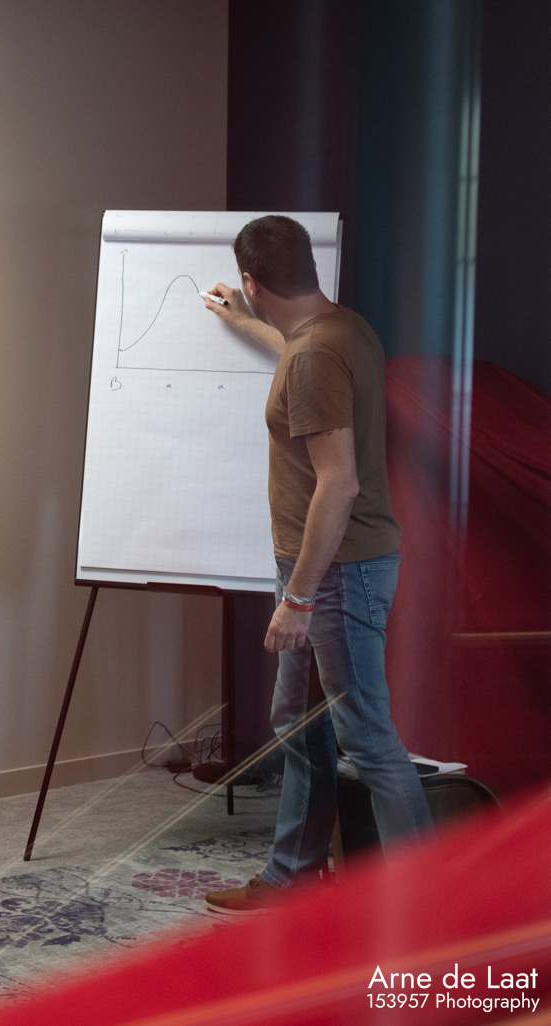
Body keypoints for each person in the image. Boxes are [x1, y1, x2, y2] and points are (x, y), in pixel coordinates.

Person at [200, 215, 433, 914]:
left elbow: (339, 483)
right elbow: (294, 350)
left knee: (366, 737)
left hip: (336, 575)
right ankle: (290, 880)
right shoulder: (339, 329)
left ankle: (430, 911)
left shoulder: (314, 356)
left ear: (251, 279)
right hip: (325, 569)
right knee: (299, 724)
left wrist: (297, 598)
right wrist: (244, 323)